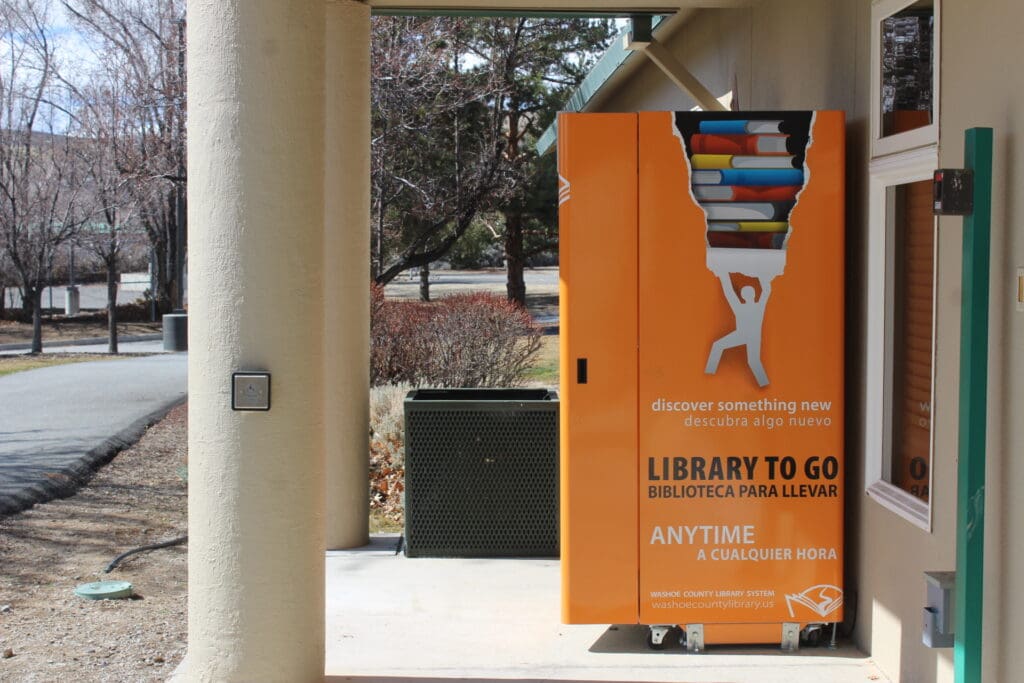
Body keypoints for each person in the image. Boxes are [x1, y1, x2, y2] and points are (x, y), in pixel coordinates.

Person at [705, 271, 771, 387]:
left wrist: (723, 275)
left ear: (744, 296)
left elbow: (729, 293)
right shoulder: (756, 306)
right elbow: (766, 291)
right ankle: (708, 374)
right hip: (747, 335)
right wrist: (762, 276)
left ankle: (709, 373)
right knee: (753, 361)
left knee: (752, 361)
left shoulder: (744, 307)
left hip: (750, 336)